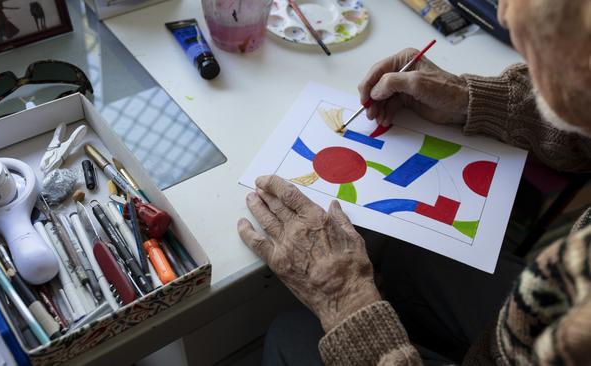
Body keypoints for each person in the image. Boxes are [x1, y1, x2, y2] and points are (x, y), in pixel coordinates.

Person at [237, 0, 591, 365]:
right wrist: (472, 101)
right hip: (544, 312)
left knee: (290, 335)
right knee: (403, 252)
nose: (502, 15)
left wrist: (345, 301)